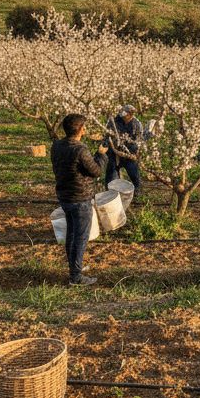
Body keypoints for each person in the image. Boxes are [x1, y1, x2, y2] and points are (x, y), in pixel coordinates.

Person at [50, 114, 108, 286]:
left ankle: (74, 268)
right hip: (80, 198)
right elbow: (96, 171)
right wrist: (101, 155)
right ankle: (75, 277)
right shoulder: (80, 149)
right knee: (81, 237)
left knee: (72, 235)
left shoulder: (56, 146)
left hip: (65, 197)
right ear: (81, 129)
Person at [104, 105, 143, 194]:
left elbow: (138, 141)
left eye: (126, 116)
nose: (124, 117)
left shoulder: (136, 124)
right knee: (111, 178)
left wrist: (134, 150)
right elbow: (107, 136)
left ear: (131, 115)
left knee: (134, 175)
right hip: (114, 153)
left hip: (129, 154)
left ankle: (138, 193)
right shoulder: (114, 121)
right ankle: (111, 195)